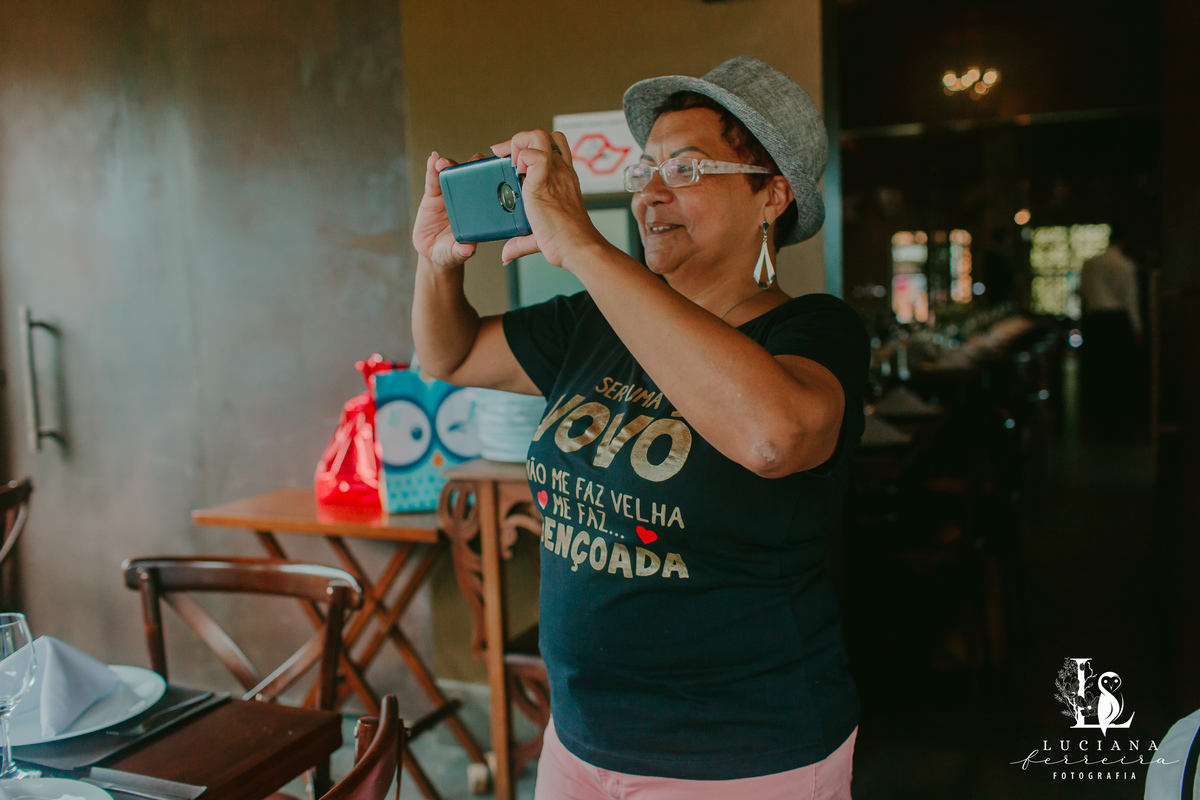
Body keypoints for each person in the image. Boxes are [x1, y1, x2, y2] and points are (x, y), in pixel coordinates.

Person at [412, 57, 866, 800]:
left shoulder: (815, 331)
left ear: (772, 194)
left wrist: (583, 246)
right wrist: (438, 264)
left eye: (685, 168)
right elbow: (450, 355)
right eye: (645, 169)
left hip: (739, 756)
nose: (650, 192)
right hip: (578, 738)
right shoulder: (597, 319)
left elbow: (772, 438)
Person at [1078, 224, 1143, 433]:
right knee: (1117, 372)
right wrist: (1137, 327)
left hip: (1094, 321)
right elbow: (1129, 298)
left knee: (1098, 371)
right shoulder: (1124, 264)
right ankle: (1117, 420)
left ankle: (1097, 418)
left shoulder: (1090, 263)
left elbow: (1082, 292)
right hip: (1115, 322)